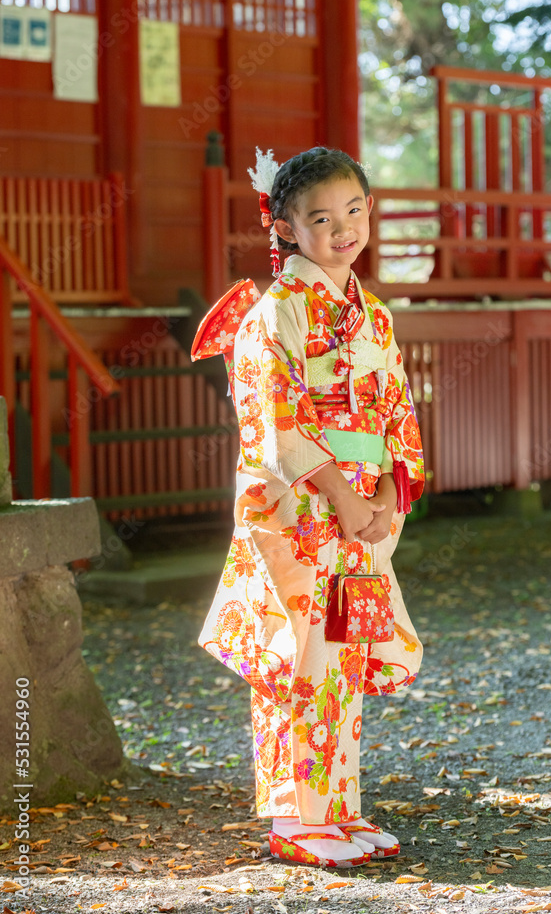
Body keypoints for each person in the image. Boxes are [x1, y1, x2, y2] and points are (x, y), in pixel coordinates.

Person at [192, 146, 425, 869]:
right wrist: (343, 498)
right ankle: (296, 818)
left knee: (345, 655)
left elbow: (395, 411)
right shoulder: (276, 313)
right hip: (298, 512)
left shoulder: (372, 315)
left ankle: (339, 812)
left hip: (361, 507)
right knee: (300, 655)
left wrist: (387, 492)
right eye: (320, 218)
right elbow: (277, 422)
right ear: (285, 228)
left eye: (353, 210)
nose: (342, 228)